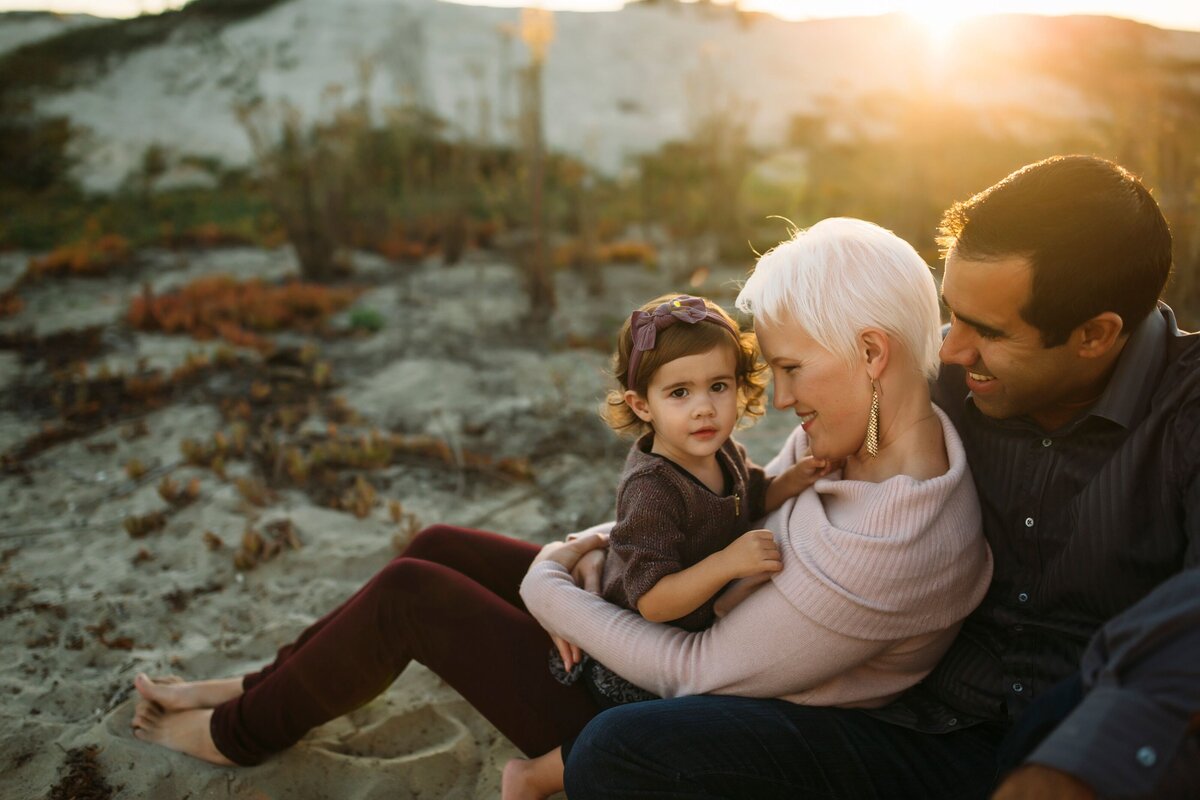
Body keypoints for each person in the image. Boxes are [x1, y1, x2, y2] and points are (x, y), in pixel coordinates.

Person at [533, 155, 1200, 799]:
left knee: (621, 747)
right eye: (952, 312)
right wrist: (607, 544)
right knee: (626, 739)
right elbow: (754, 482)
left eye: (986, 331)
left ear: (1094, 335)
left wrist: (1082, 759)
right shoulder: (935, 377)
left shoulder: (1185, 416)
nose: (950, 346)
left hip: (1069, 736)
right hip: (910, 726)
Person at [520, 216, 995, 783]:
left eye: (791, 369)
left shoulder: (893, 543)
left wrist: (546, 583)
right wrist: (591, 544)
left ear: (871, 352)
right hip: (671, 616)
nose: (781, 398)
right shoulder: (851, 437)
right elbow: (731, 509)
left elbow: (690, 671)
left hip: (699, 704)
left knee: (424, 593)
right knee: (444, 551)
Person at [505, 293, 837, 799]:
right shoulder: (653, 488)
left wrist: (793, 480)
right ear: (642, 405)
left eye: (718, 386)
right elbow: (654, 602)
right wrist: (727, 563)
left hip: (686, 630)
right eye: (679, 392)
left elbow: (749, 496)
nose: (704, 407)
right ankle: (535, 777)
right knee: (652, 729)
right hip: (627, 654)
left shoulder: (721, 450)